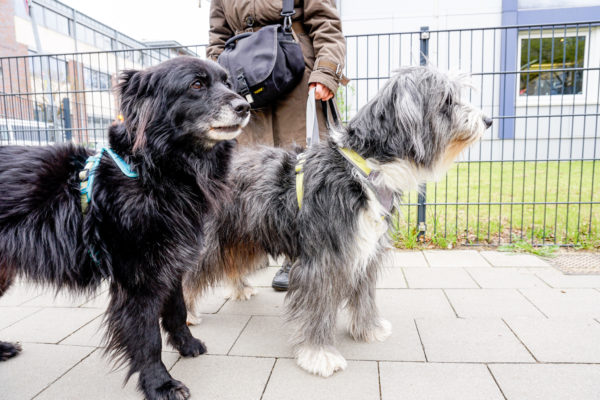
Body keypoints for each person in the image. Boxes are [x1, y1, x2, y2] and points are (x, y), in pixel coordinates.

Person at [207, 0, 348, 290]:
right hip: (245, 85)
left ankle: (299, 259)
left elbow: (326, 24)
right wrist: (221, 82)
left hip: (297, 77)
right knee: (248, 180)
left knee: (306, 179)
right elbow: (217, 39)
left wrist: (325, 72)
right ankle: (243, 255)